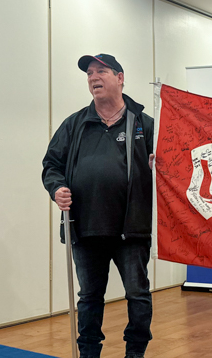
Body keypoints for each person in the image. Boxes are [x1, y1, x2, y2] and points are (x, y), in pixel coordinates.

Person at [42, 54, 155, 358]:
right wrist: (57, 188)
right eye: (90, 73)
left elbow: (172, 167)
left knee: (138, 295)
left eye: (101, 71)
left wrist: (161, 165)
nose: (94, 77)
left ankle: (135, 353)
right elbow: (51, 164)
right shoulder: (75, 123)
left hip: (131, 229)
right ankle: (89, 353)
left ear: (120, 77)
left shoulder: (143, 124)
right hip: (85, 227)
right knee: (89, 298)